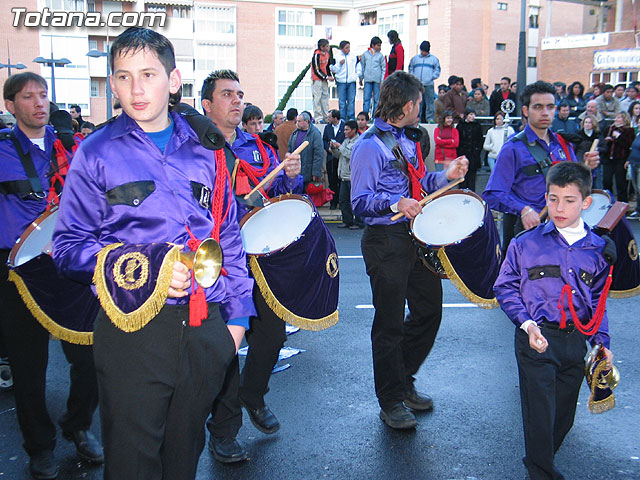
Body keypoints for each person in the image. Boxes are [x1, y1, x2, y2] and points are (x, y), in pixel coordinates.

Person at [52, 27, 256, 480]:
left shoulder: (208, 151)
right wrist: (145, 267)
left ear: (174, 79)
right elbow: (66, 248)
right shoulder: (95, 152)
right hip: (132, 329)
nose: (136, 89)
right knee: (131, 463)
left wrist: (237, 324)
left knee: (182, 459)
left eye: (148, 74)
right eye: (123, 77)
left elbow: (228, 236)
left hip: (206, 326)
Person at [350, 71, 468, 430]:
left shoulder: (409, 140)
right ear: (408, 105)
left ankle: (402, 380)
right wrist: (395, 203)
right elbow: (359, 202)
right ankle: (390, 400)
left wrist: (445, 175)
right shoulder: (369, 145)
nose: (423, 107)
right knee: (388, 324)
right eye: (420, 102)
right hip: (385, 241)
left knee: (430, 311)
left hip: (415, 237)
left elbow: (420, 183)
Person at [0, 71, 103, 480]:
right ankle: (38, 446)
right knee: (28, 366)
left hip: (67, 262)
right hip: (19, 270)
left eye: (44, 95)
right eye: (28, 97)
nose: (40, 103)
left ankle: (77, 425)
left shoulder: (72, 147)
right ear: (11, 106)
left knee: (89, 354)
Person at [200, 69, 303, 463]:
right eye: (227, 94)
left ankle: (253, 393)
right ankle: (223, 431)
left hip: (260, 259)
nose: (237, 100)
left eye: (240, 94)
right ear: (207, 105)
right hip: (218, 263)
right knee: (227, 347)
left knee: (272, 336)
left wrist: (290, 177)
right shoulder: (194, 148)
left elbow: (278, 192)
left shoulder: (258, 148)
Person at [494, 161, 614, 480]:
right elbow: (504, 285)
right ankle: (541, 472)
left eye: (569, 200)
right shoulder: (525, 243)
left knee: (563, 418)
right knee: (540, 415)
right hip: (536, 337)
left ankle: (540, 460)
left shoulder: (599, 250)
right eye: (553, 199)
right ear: (545, 197)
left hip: (574, 341)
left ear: (586, 202)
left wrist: (602, 344)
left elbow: (599, 302)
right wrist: (527, 324)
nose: (559, 208)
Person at [483, 80, 600, 254]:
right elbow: (493, 193)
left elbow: (576, 186)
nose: (545, 112)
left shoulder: (563, 144)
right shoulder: (513, 147)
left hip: (564, 230)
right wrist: (523, 209)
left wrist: (588, 168)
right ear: (525, 111)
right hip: (529, 234)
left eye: (550, 107)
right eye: (538, 107)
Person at [332, 119, 362, 229]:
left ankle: (359, 222)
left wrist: (339, 146)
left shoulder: (359, 142)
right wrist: (334, 148)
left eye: (347, 130)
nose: (344, 132)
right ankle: (347, 220)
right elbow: (339, 155)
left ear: (354, 130)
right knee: (343, 200)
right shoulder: (345, 141)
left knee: (355, 200)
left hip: (353, 176)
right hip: (343, 175)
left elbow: (351, 155)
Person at [602, 111, 635, 202]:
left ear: (625, 119)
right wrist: (607, 140)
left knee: (621, 184)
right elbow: (602, 141)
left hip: (621, 159)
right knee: (606, 181)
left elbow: (628, 145)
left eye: (619, 118)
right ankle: (609, 202)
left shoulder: (629, 131)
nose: (616, 119)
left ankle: (622, 204)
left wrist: (619, 137)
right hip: (608, 159)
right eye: (616, 117)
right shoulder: (609, 129)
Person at [288, 111, 323, 188]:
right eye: (297, 121)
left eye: (299, 121)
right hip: (296, 172)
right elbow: (290, 150)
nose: (297, 123)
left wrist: (315, 172)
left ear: (306, 121)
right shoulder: (295, 133)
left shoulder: (315, 134)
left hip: (308, 173)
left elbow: (318, 154)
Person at [408, 41, 441, 123]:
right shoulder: (415, 59)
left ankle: (430, 118)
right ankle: (417, 118)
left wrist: (432, 77)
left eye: (425, 51)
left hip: (428, 84)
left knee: (429, 102)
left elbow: (437, 69)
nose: (423, 53)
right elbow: (410, 68)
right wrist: (413, 77)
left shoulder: (433, 59)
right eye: (422, 51)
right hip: (417, 85)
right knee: (418, 102)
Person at [330, 40, 359, 121]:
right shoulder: (336, 57)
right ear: (341, 48)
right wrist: (339, 64)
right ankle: (342, 118)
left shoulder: (353, 56)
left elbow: (358, 66)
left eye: (349, 47)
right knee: (342, 101)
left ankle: (351, 118)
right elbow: (333, 69)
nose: (348, 49)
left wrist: (356, 75)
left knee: (351, 101)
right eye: (346, 48)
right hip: (341, 81)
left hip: (351, 81)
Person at [322, 109, 345, 210]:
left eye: (330, 117)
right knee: (332, 181)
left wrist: (339, 147)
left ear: (335, 118)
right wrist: (328, 148)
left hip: (341, 158)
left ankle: (341, 201)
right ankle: (333, 202)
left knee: (341, 181)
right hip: (331, 158)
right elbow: (324, 140)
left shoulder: (344, 126)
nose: (328, 119)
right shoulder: (327, 128)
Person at [456, 108, 483, 192]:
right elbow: (458, 139)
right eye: (470, 114)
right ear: (466, 115)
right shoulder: (460, 125)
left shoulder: (477, 126)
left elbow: (480, 140)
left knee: (472, 175)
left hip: (473, 154)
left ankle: (471, 192)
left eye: (473, 114)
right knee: (462, 174)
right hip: (463, 153)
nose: (472, 116)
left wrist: (477, 150)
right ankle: (461, 191)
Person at [359, 36, 385, 120]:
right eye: (378, 45)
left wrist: (382, 80)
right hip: (367, 79)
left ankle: (375, 116)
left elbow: (383, 68)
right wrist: (361, 78)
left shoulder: (380, 56)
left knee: (377, 99)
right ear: (373, 45)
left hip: (377, 80)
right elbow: (362, 66)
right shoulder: (365, 54)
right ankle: (365, 117)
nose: (379, 47)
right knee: (366, 98)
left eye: (380, 45)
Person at [311, 39, 333, 123]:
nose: (328, 47)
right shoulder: (316, 56)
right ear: (322, 47)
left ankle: (326, 116)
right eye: (327, 46)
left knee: (325, 96)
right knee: (317, 98)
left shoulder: (327, 54)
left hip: (324, 79)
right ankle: (318, 117)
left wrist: (329, 75)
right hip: (317, 79)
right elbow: (316, 69)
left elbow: (327, 66)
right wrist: (326, 77)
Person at [626, 132, 640, 218]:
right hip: (634, 163)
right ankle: (638, 210)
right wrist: (629, 160)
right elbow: (633, 149)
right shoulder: (638, 134)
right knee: (637, 189)